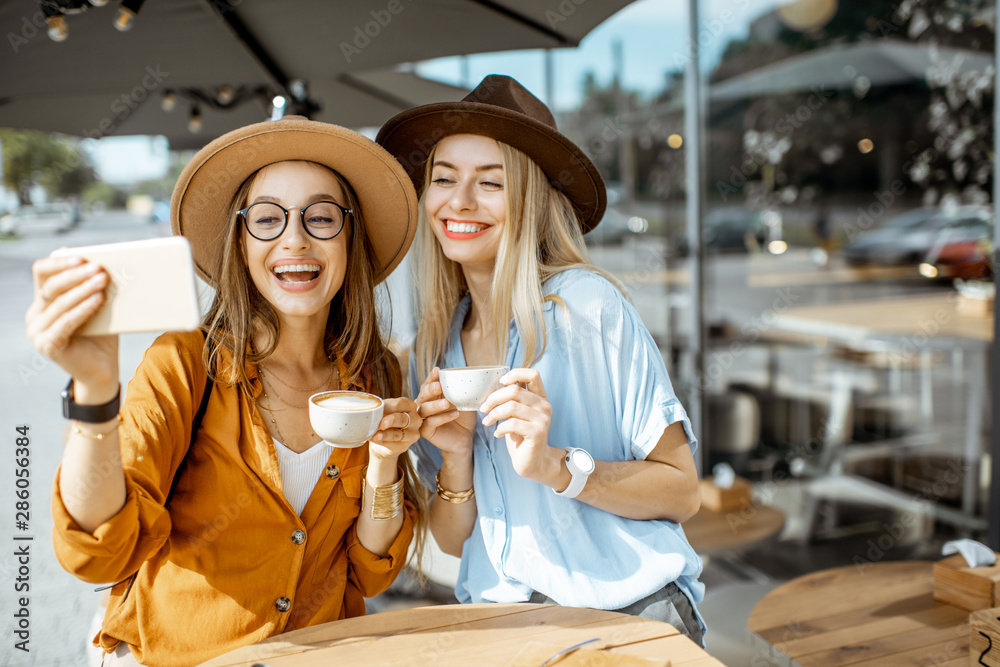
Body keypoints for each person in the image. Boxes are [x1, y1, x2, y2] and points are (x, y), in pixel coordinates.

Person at [25, 117, 425, 667]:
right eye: (267, 219)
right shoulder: (185, 361)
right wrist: (94, 392)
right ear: (240, 242)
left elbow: (369, 570)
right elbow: (97, 551)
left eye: (322, 217)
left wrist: (384, 462)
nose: (295, 239)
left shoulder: (374, 372)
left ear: (349, 237)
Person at [376, 75, 706, 644]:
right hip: (506, 629)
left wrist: (559, 468)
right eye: (444, 179)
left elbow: (682, 490)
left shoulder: (584, 306)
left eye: (491, 183)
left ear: (529, 198)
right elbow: (455, 542)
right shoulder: (435, 347)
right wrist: (455, 458)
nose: (460, 202)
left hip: (626, 621)